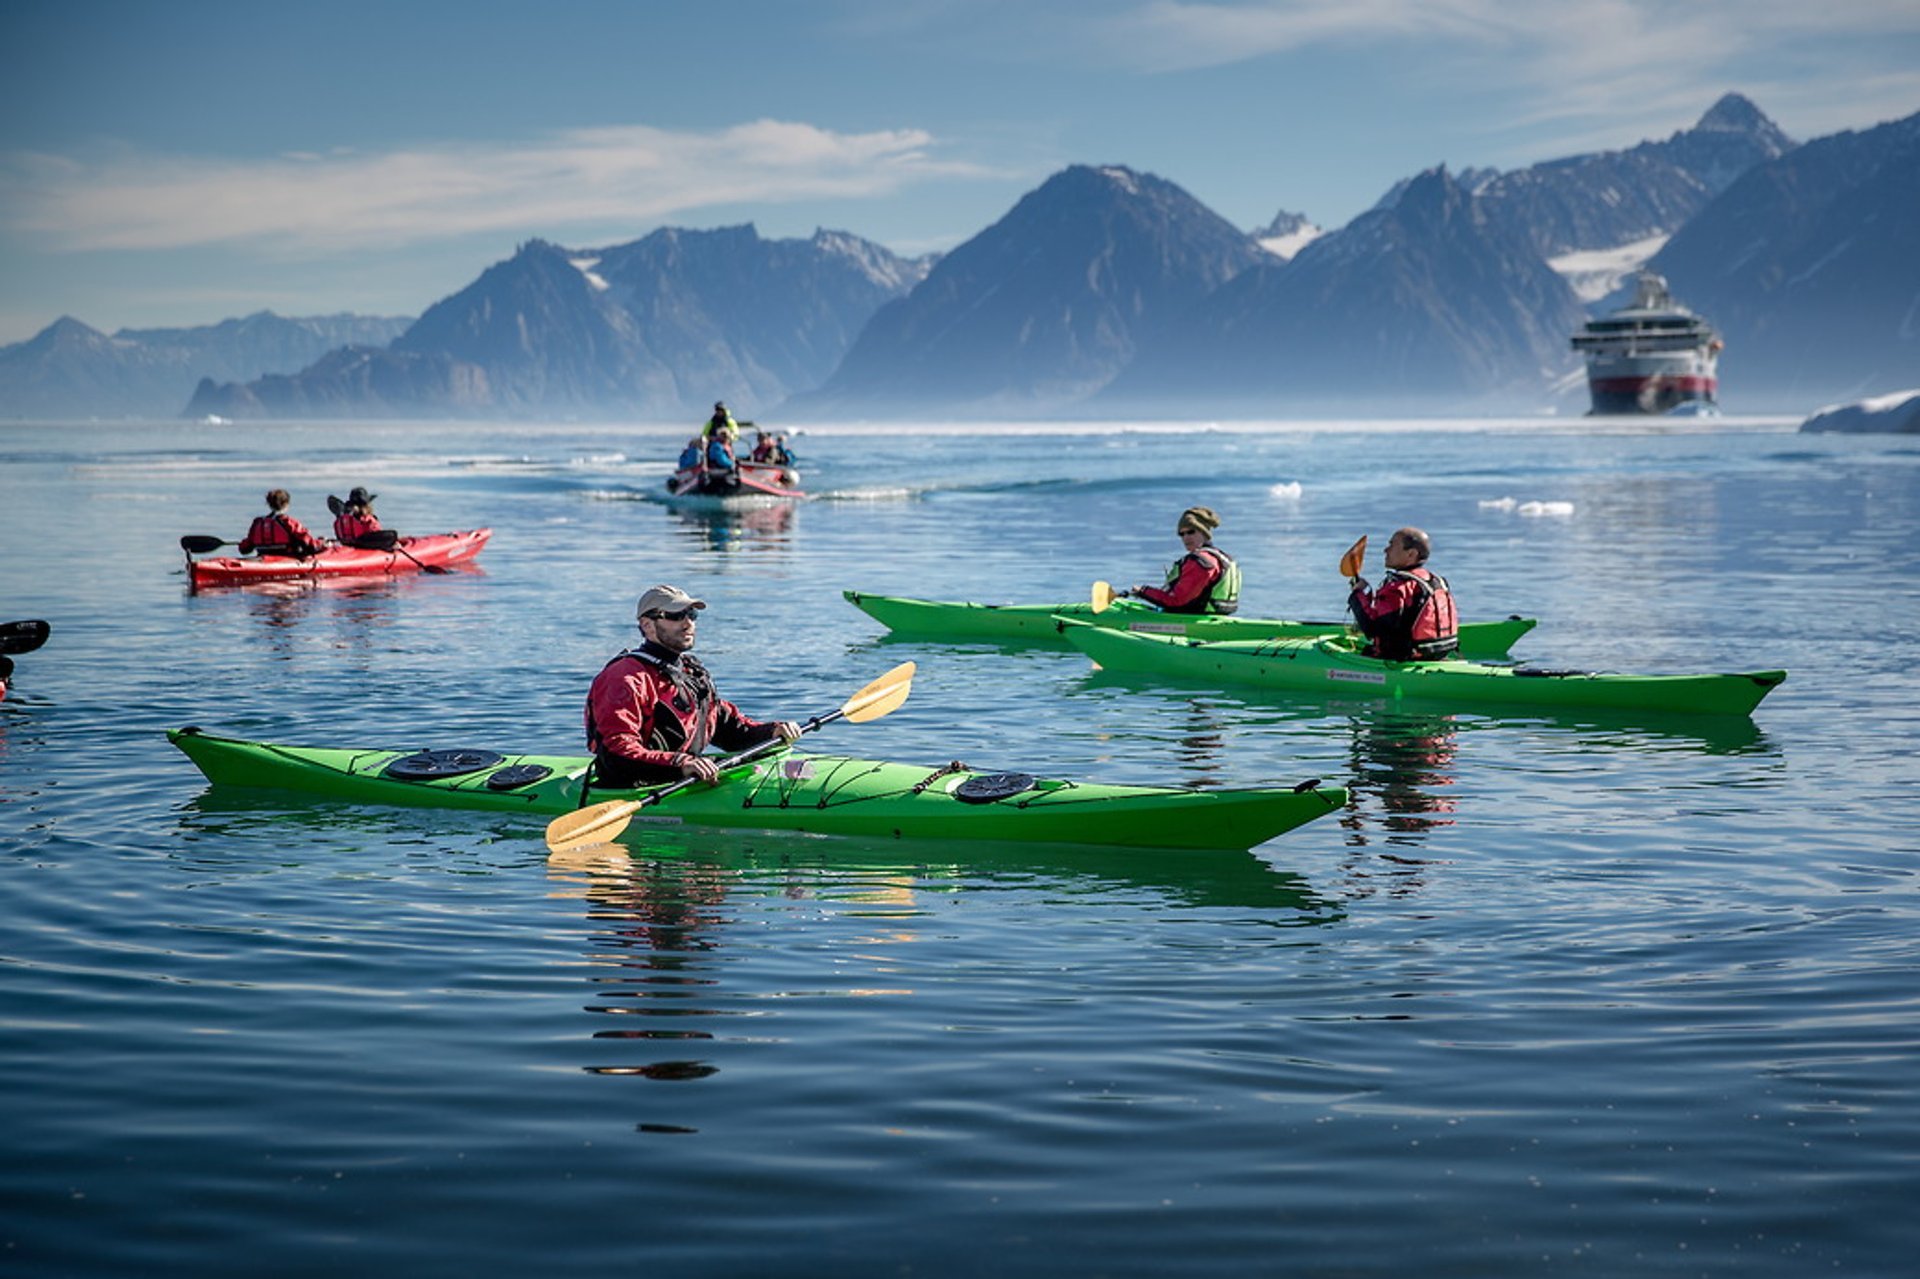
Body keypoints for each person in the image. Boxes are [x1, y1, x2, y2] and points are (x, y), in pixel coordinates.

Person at [585, 584, 801, 788]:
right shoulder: (625, 677)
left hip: (684, 778)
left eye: (692, 615)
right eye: (676, 616)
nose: (688, 623)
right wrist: (681, 763)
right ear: (647, 625)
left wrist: (771, 732)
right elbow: (616, 754)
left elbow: (728, 730)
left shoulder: (689, 672)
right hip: (634, 785)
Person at [1347, 526, 1459, 661]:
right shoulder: (1436, 581)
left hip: (1402, 658)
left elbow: (1372, 628)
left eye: (1392, 545)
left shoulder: (1398, 587)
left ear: (1411, 554)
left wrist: (1358, 595)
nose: (1385, 550)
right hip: (1436, 654)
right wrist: (1367, 592)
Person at [1123, 506, 1240, 615]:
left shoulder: (1200, 562)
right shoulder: (1223, 558)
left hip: (1192, 621)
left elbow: (1177, 601)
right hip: (1217, 617)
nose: (1186, 538)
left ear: (1205, 533)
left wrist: (1143, 591)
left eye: (1191, 532)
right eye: (1182, 534)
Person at [238, 488, 322, 557]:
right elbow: (311, 546)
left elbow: (244, 549)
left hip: (263, 557)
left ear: (269, 504)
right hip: (287, 558)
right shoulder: (288, 522)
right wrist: (322, 543)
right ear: (286, 504)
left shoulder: (258, 523)